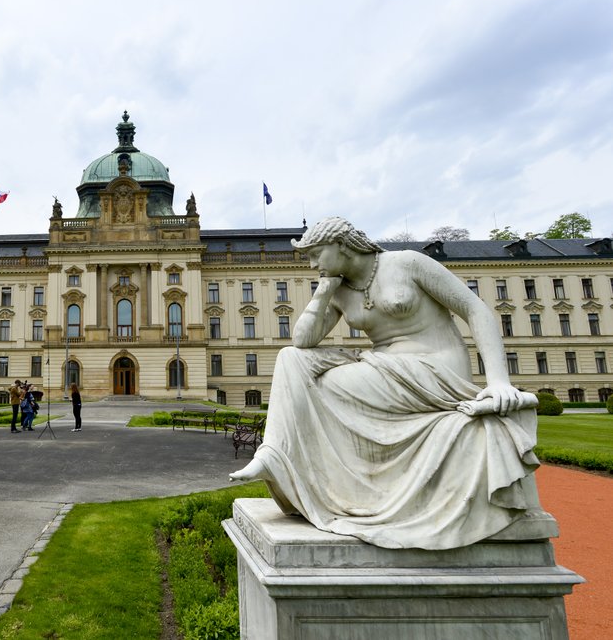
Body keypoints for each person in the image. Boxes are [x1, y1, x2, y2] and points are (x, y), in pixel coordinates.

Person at [230, 217, 543, 550]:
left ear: (340, 245)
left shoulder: (407, 262)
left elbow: (474, 307)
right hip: (385, 368)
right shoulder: (340, 291)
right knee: (291, 359)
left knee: (320, 385)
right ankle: (274, 454)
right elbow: (302, 341)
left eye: (316, 254)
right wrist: (323, 293)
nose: (311, 264)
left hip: (435, 369)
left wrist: (498, 380)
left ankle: (282, 458)